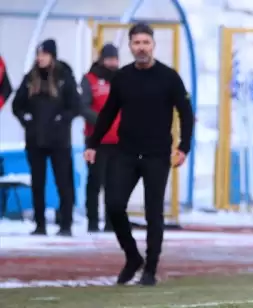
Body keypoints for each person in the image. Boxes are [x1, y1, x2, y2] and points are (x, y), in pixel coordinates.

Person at [83, 23, 194, 286]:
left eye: (145, 42)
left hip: (156, 154)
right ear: (130, 46)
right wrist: (93, 143)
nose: (141, 47)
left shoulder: (169, 77)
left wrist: (184, 147)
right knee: (113, 206)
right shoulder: (122, 77)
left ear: (153, 45)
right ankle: (133, 257)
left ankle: (150, 269)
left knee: (153, 213)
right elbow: (108, 112)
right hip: (127, 152)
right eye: (136, 43)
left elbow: (186, 113)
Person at [12, 39, 79, 236]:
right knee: (38, 182)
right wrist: (27, 120)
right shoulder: (30, 78)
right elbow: (18, 105)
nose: (40, 58)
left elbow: (74, 105)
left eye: (44, 54)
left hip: (59, 140)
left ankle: (65, 223)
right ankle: (40, 223)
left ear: (52, 56)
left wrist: (62, 120)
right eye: (38, 54)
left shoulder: (64, 77)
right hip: (35, 139)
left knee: (63, 182)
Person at [81, 43, 120, 233]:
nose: (112, 62)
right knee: (95, 181)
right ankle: (93, 221)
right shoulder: (90, 79)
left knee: (114, 183)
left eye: (115, 59)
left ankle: (111, 223)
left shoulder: (123, 79)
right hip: (96, 140)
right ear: (102, 59)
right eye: (109, 59)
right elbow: (83, 106)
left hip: (118, 140)